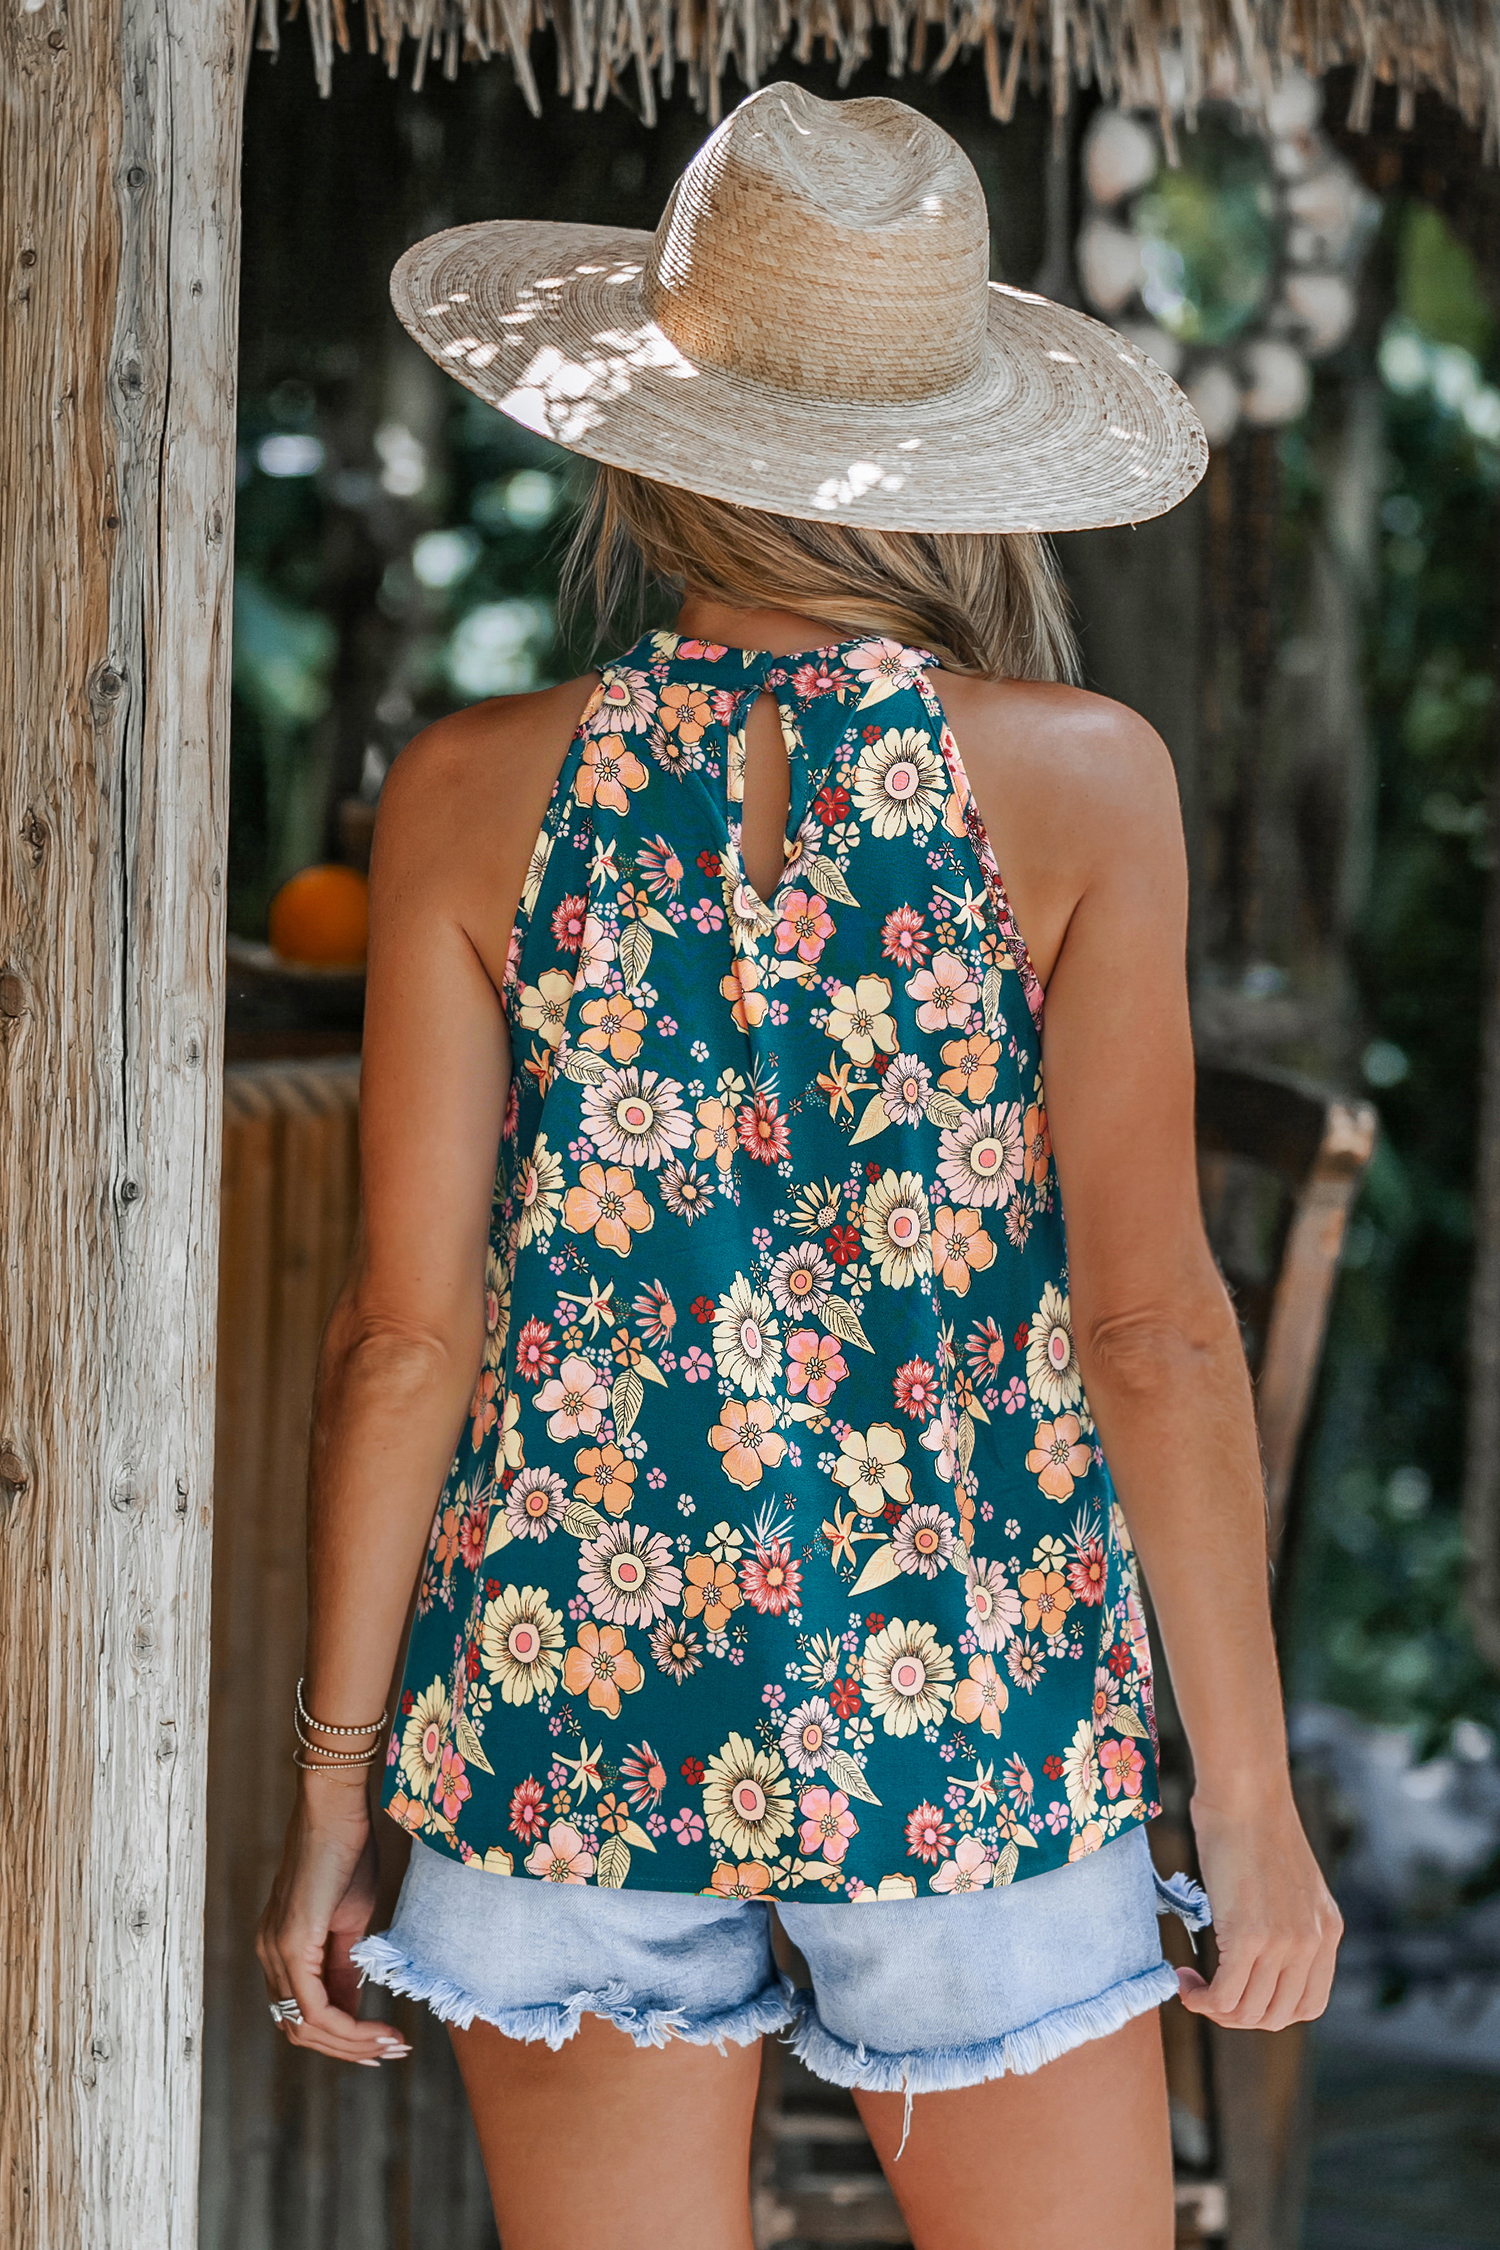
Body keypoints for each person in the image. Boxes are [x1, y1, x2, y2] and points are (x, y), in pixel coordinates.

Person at [257, 81, 1341, 2250]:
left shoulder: (466, 790)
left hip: (564, 1703)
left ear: (647, 445)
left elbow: (404, 1339)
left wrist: (336, 1789)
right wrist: (1246, 1799)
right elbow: (1147, 1325)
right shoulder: (1082, 780)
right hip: (977, 1714)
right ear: (959, 462)